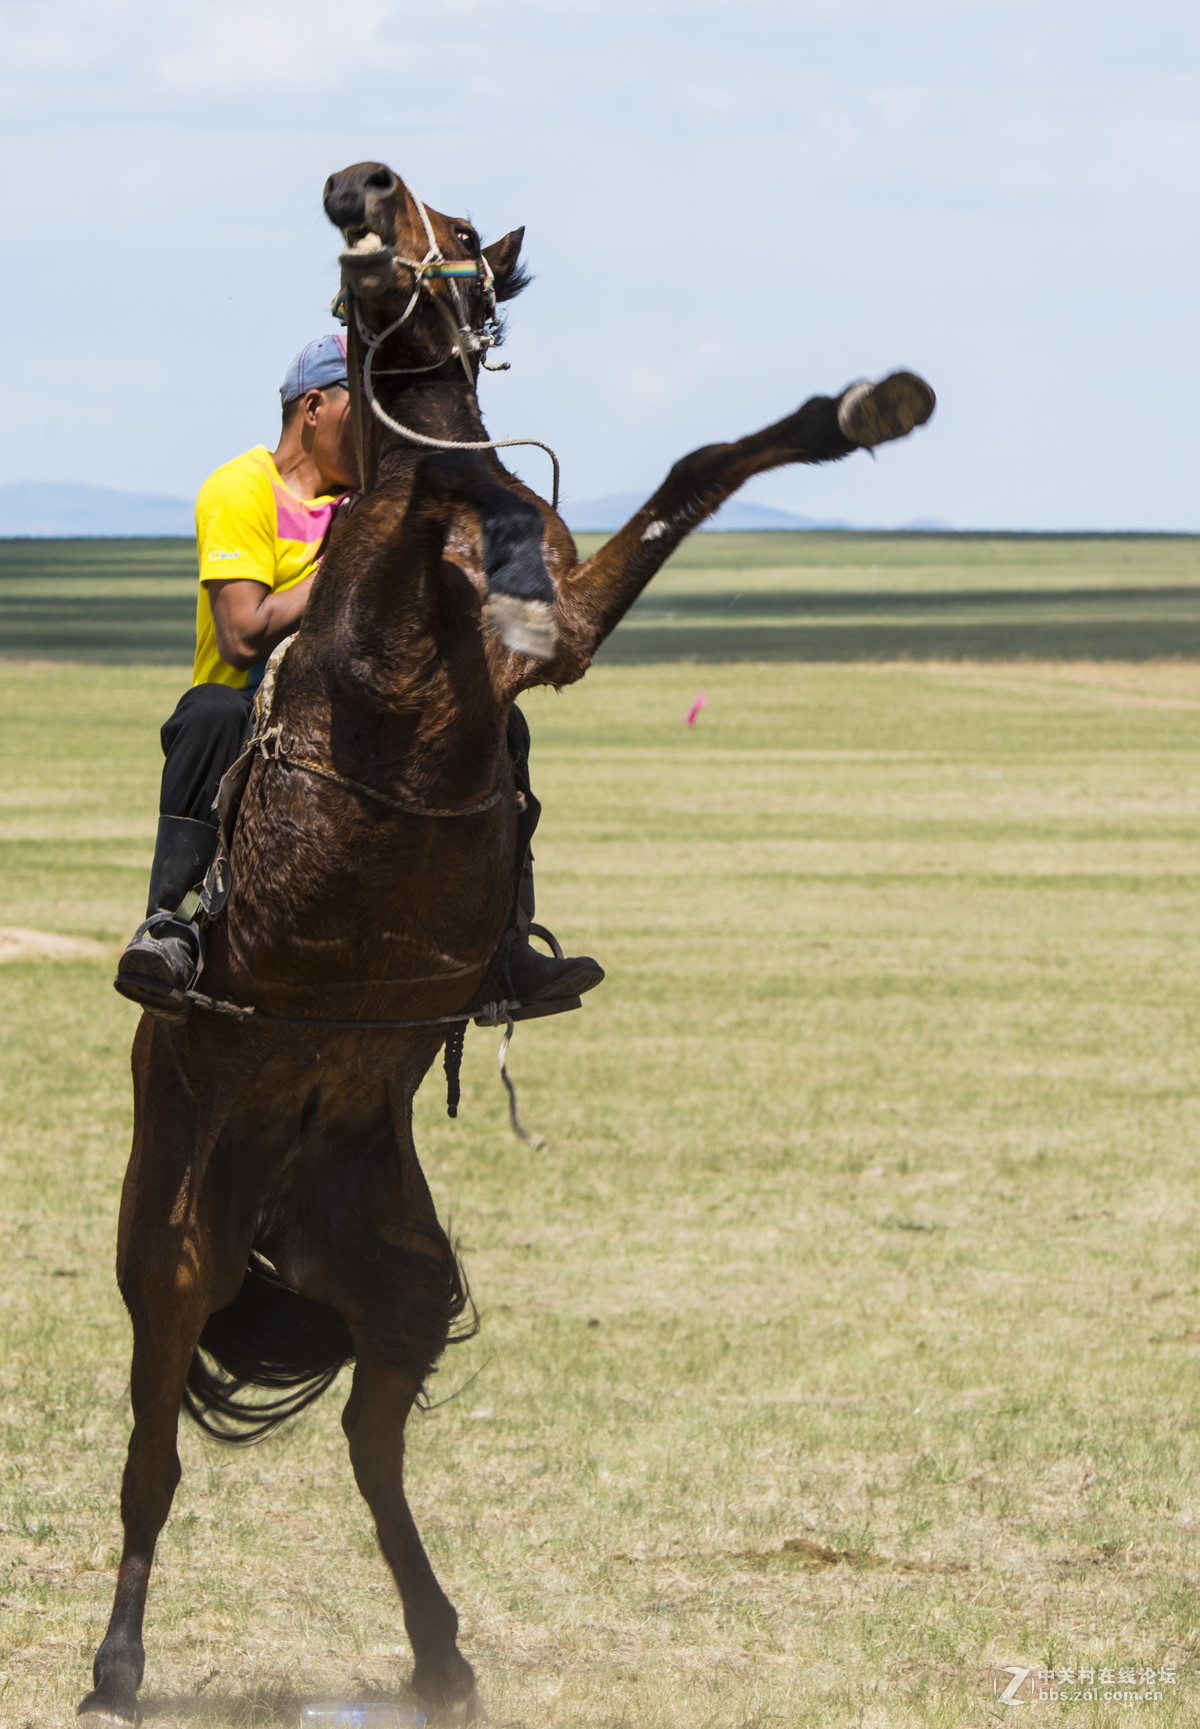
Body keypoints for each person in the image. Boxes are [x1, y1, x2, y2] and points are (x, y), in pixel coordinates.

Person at [114, 334, 603, 1020]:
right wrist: (343, 569)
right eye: (366, 410)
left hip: (359, 708)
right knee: (207, 714)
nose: (381, 430)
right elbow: (243, 630)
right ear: (313, 407)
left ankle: (504, 946)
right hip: (254, 711)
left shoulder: (372, 501)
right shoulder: (240, 488)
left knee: (501, 724)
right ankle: (170, 925)